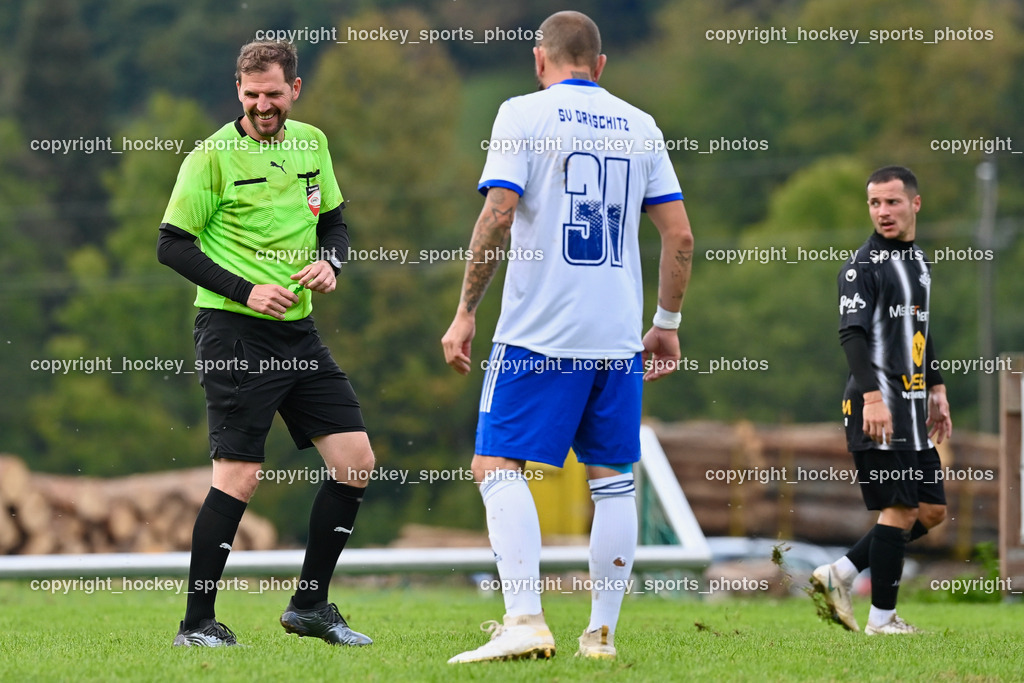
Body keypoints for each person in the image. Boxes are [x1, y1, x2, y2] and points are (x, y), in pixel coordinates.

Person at [441, 11, 694, 663]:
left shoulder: (521, 113)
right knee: (613, 480)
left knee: (497, 466)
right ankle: (600, 635)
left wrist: (466, 310)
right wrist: (666, 325)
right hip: (617, 336)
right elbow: (680, 236)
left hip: (539, 332)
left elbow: (498, 215)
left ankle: (524, 617)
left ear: (539, 59)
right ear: (600, 65)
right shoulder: (641, 125)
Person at [157, 40, 375, 647]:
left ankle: (310, 607)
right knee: (240, 476)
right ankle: (196, 624)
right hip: (233, 332)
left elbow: (334, 223)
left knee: (355, 461)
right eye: (251, 94)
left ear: (294, 90)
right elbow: (171, 245)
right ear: (238, 91)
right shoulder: (210, 157)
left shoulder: (313, 142)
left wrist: (331, 262)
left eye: (273, 94)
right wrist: (247, 290)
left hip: (299, 332)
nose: (262, 105)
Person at [811, 165, 952, 635]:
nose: (883, 211)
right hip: (878, 409)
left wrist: (936, 388)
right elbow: (851, 335)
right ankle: (883, 620)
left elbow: (919, 331)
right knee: (900, 509)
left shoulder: (919, 263)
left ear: (915, 203)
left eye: (892, 201)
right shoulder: (862, 267)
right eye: (875, 203)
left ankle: (841, 572)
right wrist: (872, 398)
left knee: (930, 511)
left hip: (912, 409)